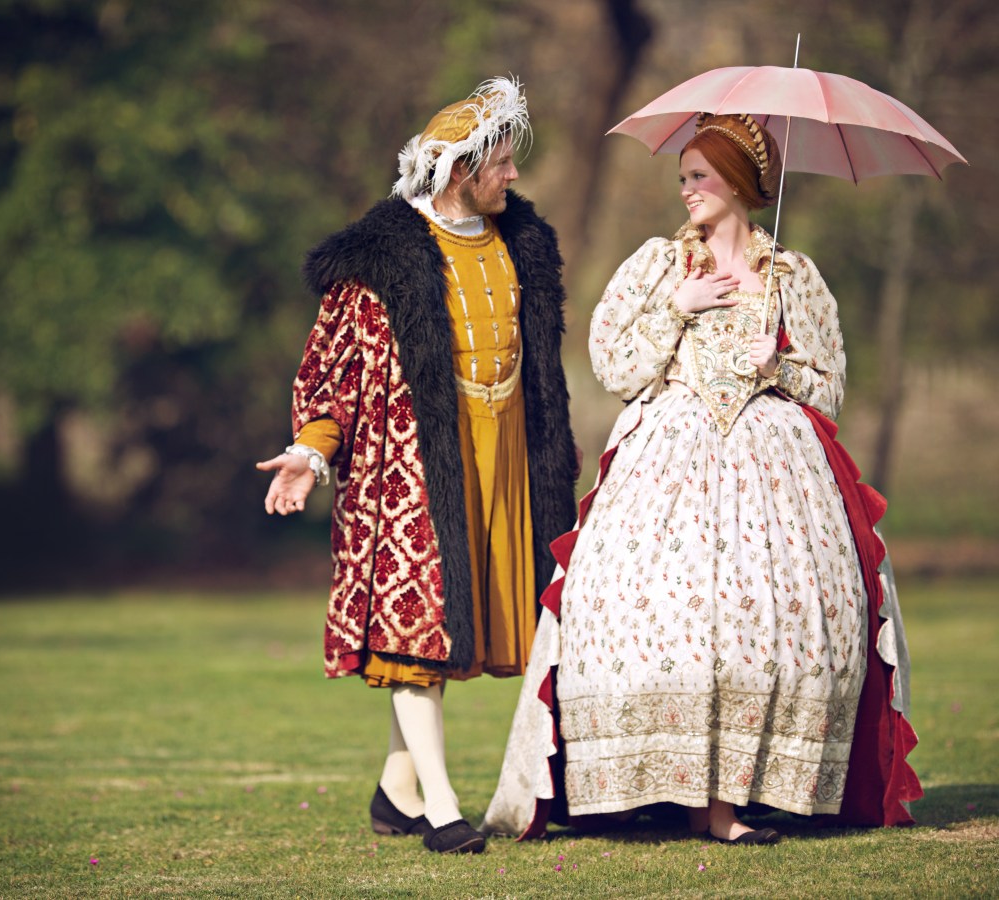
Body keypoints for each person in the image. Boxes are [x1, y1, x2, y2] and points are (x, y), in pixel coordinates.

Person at [482, 112, 921, 844]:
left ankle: (738, 795)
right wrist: (674, 311)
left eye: (700, 176)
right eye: (682, 176)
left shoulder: (794, 277)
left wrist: (775, 362)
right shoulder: (659, 265)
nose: (686, 189)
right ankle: (680, 796)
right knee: (660, 613)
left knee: (770, 621)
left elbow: (832, 386)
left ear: (742, 183)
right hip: (670, 461)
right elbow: (615, 367)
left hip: (775, 468)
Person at [256, 77, 578, 854]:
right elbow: (335, 372)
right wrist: (309, 452)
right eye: (502, 163)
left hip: (506, 463)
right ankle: (439, 810)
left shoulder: (521, 243)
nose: (513, 176)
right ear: (462, 170)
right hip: (410, 473)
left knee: (463, 634)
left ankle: (397, 789)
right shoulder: (383, 259)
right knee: (417, 633)